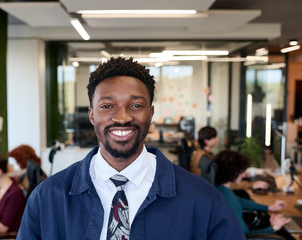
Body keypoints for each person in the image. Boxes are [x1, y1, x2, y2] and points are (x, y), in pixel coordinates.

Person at [17, 57, 245, 239]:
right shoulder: (47, 199)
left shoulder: (203, 200)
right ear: (92, 114)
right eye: (107, 106)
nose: (123, 117)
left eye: (136, 105)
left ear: (151, 113)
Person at [214, 150, 295, 239]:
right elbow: (246, 235)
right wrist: (273, 228)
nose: (243, 175)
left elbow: (239, 201)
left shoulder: (221, 189)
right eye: (241, 171)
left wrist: (269, 207)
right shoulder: (228, 198)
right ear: (233, 172)